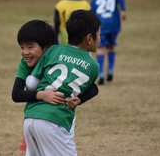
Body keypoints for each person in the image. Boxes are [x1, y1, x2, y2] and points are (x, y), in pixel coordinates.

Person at [11, 19, 99, 153]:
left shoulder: (57, 55)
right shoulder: (25, 63)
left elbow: (93, 87)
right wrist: (42, 95)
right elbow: (16, 94)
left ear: (47, 47)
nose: (25, 52)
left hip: (35, 118)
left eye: (30, 47)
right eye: (22, 47)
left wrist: (80, 99)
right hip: (52, 120)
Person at [90, 0, 126, 85]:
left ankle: (101, 74)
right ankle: (110, 71)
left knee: (100, 50)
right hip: (113, 26)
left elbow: (91, 13)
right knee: (111, 47)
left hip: (102, 26)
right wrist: (123, 10)